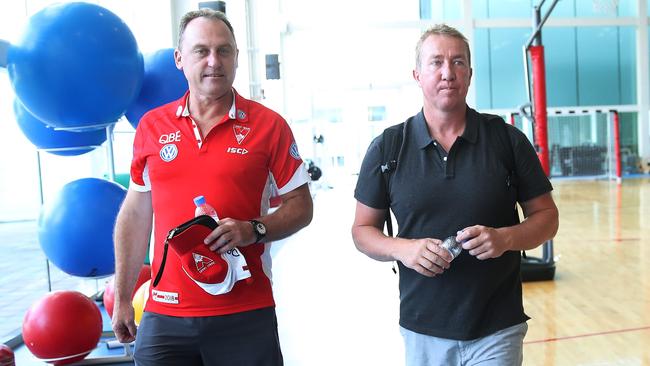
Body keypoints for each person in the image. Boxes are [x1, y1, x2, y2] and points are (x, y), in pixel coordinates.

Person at [111, 9, 313, 366]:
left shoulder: (269, 126)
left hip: (245, 310)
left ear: (236, 57)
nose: (213, 62)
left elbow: (301, 206)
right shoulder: (151, 128)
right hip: (166, 312)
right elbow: (136, 214)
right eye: (201, 51)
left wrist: (254, 229)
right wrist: (124, 296)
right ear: (179, 59)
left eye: (224, 51)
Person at [351, 24, 559, 366]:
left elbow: (547, 218)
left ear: (470, 73)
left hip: (497, 326)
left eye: (458, 62)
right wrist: (404, 249)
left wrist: (506, 238)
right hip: (423, 329)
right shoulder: (388, 147)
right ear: (417, 75)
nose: (448, 72)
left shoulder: (507, 140)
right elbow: (362, 231)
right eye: (436, 62)